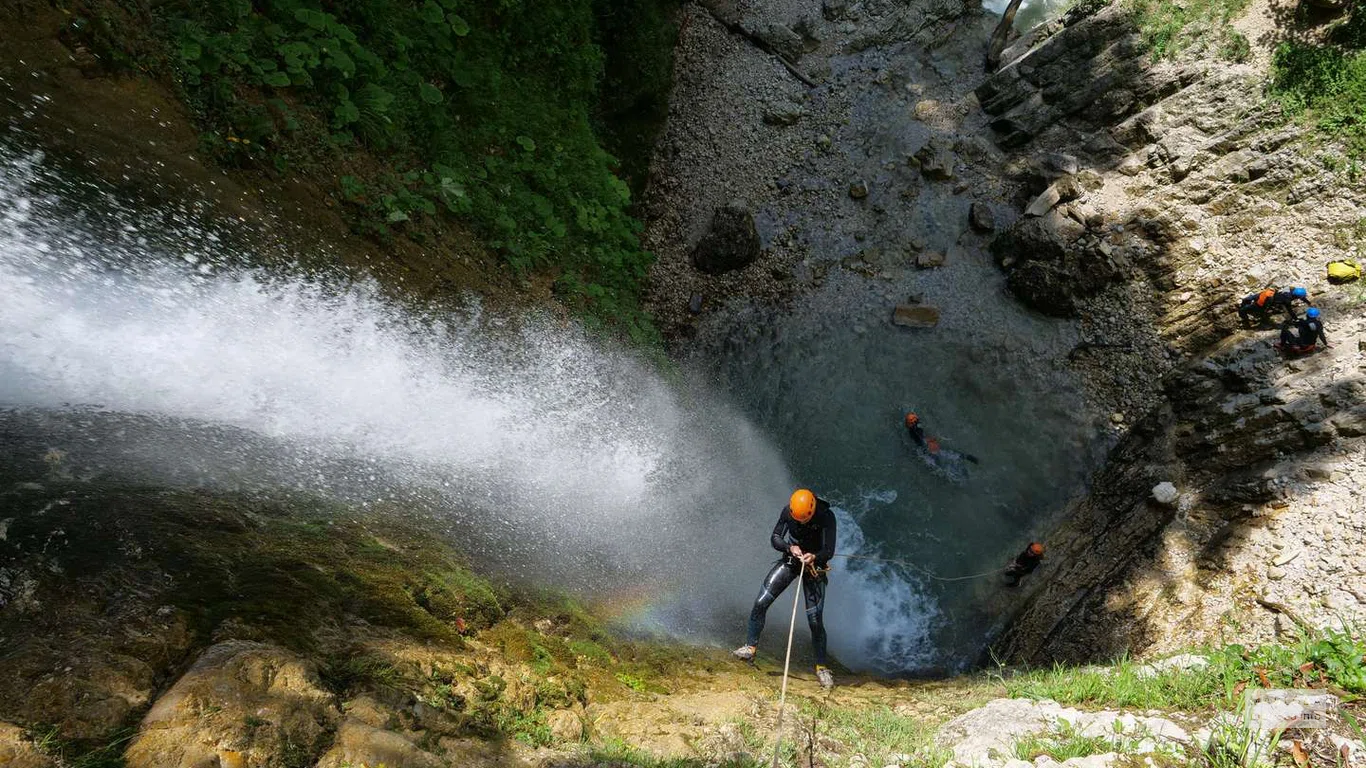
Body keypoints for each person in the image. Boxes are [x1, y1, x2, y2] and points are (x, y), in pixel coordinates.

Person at [733, 488, 838, 690]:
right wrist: (789, 548)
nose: (799, 523)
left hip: (813, 567)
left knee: (815, 621)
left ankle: (822, 667)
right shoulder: (788, 512)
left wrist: (814, 557)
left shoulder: (826, 516)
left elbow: (829, 550)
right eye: (796, 519)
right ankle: (750, 648)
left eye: (803, 521)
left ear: (811, 512)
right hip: (791, 561)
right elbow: (775, 537)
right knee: (761, 603)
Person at [1238, 286, 1309, 324]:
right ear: (1296, 297)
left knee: (1247, 299)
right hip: (1266, 302)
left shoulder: (1290, 288)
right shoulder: (1287, 300)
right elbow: (1289, 310)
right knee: (1253, 308)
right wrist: (1296, 319)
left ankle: (1244, 305)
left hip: (1265, 294)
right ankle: (1245, 318)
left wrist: (1307, 302)